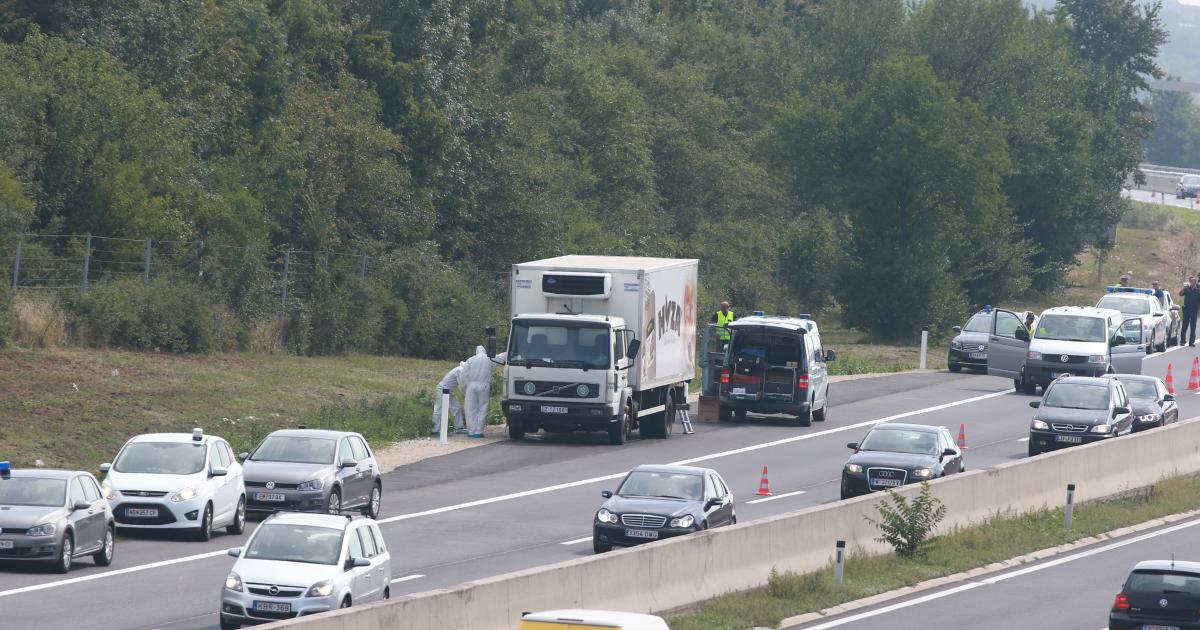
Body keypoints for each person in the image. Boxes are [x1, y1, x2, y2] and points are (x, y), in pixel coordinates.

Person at [463, 345, 507, 438]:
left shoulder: (470, 360)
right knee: (483, 408)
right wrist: (511, 351)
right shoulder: (489, 358)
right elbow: (501, 357)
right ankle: (479, 431)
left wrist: (464, 388)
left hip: (471, 385)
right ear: (485, 351)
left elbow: (464, 375)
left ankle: (471, 430)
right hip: (484, 385)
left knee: (470, 409)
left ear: (476, 352)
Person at [430, 362, 467, 436]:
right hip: (442, 389)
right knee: (439, 409)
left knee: (457, 408)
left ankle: (459, 428)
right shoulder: (460, 370)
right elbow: (462, 385)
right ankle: (435, 430)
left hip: (449, 390)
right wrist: (467, 394)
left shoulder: (461, 370)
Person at [1180, 277, 1200, 347]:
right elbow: (1180, 294)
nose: (1192, 283)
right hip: (1187, 309)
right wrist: (1184, 287)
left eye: (1194, 281)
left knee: (1193, 327)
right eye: (1191, 281)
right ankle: (1182, 341)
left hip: (1194, 310)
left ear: (1196, 282)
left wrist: (1198, 310)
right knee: (1184, 326)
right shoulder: (1187, 289)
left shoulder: (1198, 291)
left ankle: (1191, 342)